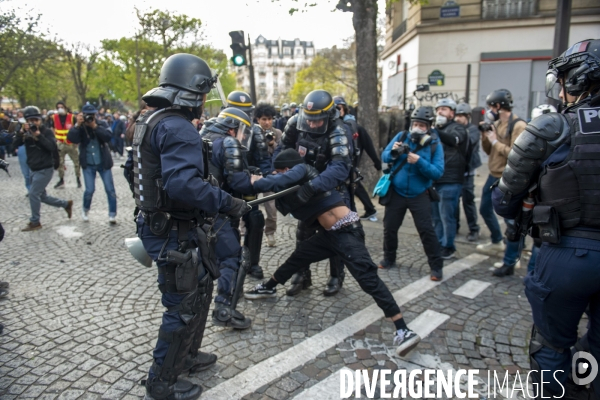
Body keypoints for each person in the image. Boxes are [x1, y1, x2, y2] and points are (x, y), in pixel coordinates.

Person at [129, 53, 251, 400]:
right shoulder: (177, 126)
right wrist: (228, 202)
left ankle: (188, 356)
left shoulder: (150, 120)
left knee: (200, 290)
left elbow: (138, 175)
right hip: (172, 231)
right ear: (191, 92)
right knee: (182, 307)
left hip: (167, 225)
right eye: (201, 95)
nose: (202, 103)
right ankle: (161, 382)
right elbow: (183, 184)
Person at [492, 39, 600, 398]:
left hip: (567, 252)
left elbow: (506, 196)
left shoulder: (553, 126)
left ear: (577, 80)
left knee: (551, 347)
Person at [246, 149, 422, 356]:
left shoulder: (302, 170)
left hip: (347, 231)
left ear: (287, 168)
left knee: (367, 278)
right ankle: (269, 287)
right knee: (299, 256)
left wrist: (252, 181)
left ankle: (403, 329)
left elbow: (273, 182)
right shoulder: (292, 185)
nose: (276, 174)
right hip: (329, 235)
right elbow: (278, 191)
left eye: (279, 171)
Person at [274, 89, 352, 297]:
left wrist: (313, 186)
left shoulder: (338, 131)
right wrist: (279, 172)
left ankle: (336, 276)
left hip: (330, 189)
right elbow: (282, 151)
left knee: (336, 234)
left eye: (317, 120)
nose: (312, 124)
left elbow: (340, 168)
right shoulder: (295, 123)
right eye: (309, 119)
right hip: (304, 186)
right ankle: (302, 275)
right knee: (303, 235)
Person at [200, 107, 257, 330]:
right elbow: (238, 183)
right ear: (233, 129)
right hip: (217, 210)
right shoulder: (227, 141)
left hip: (201, 209)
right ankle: (223, 307)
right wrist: (258, 180)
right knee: (233, 256)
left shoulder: (204, 135)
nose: (243, 136)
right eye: (242, 131)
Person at [379, 106, 445, 280]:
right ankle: (388, 258)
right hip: (397, 192)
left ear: (429, 126)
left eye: (422, 125)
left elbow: (437, 172)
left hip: (419, 194)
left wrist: (420, 161)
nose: (418, 128)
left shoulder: (434, 144)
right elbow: (385, 156)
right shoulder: (401, 136)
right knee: (390, 228)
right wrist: (391, 152)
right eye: (415, 124)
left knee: (426, 230)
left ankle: (436, 266)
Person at [478, 89, 527, 276]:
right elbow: (488, 150)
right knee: (484, 208)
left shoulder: (518, 125)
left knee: (512, 221)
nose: (489, 110)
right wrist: (486, 135)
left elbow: (517, 155)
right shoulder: (496, 123)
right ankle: (497, 239)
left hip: (508, 178)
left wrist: (495, 141)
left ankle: (510, 260)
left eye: (491, 106)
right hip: (492, 175)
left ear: (498, 106)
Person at [13, 106, 73, 231]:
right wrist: (21, 133)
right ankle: (66, 204)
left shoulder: (46, 132)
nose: (34, 122)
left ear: (40, 120)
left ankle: (35, 221)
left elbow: (51, 147)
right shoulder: (25, 132)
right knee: (42, 196)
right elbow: (14, 145)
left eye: (36, 120)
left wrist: (38, 135)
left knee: (33, 194)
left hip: (45, 168)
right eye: (31, 120)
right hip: (33, 168)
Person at [431, 98, 469, 259]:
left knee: (447, 216)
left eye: (444, 109)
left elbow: (454, 141)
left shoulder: (458, 128)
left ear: (452, 113)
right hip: (434, 179)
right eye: (438, 109)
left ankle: (449, 246)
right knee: (436, 217)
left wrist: (434, 131)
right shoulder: (433, 130)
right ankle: (439, 244)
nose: (440, 112)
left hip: (451, 179)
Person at [334, 96, 382, 221]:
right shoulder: (331, 127)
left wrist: (377, 162)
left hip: (349, 165)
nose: (337, 111)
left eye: (339, 108)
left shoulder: (355, 127)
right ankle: (369, 210)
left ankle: (359, 213)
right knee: (355, 187)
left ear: (344, 109)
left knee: (353, 187)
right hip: (337, 164)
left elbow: (368, 145)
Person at [67, 105, 117, 224]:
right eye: (87, 115)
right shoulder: (80, 127)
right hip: (88, 163)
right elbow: (71, 138)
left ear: (95, 115)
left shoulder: (102, 124)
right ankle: (85, 209)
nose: (90, 117)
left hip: (103, 162)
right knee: (89, 190)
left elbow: (108, 137)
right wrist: (77, 125)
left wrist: (95, 126)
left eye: (92, 115)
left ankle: (112, 214)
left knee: (110, 190)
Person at [253, 102, 282, 247]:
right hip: (254, 174)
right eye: (264, 119)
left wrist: (273, 145)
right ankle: (245, 232)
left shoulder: (277, 133)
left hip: (270, 173)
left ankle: (270, 233)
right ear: (258, 119)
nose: (267, 122)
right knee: (249, 204)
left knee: (271, 207)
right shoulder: (252, 132)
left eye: (270, 119)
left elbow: (281, 153)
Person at [454, 102, 481, 242]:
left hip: (468, 172)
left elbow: (469, 143)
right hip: (455, 172)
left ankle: (474, 229)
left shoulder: (473, 130)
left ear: (468, 116)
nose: (458, 118)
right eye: (457, 115)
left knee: (468, 201)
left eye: (461, 116)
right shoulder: (454, 128)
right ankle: (455, 227)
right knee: (454, 201)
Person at [52, 101, 81, 189]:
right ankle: (61, 180)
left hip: (71, 143)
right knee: (60, 163)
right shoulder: (54, 117)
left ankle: (78, 179)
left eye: (62, 107)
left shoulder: (71, 117)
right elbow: (53, 128)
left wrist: (76, 141)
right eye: (58, 107)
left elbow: (77, 128)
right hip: (60, 143)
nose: (60, 109)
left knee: (76, 162)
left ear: (65, 107)